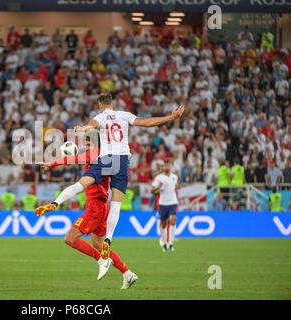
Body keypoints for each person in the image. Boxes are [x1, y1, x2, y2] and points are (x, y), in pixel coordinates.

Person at [35, 93, 185, 260]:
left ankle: (55, 203)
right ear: (112, 104)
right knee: (116, 205)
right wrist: (171, 117)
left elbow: (92, 125)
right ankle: (108, 239)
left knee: (81, 184)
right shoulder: (124, 115)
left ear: (100, 105)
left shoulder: (101, 116)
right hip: (122, 161)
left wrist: (83, 128)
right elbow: (148, 122)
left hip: (107, 159)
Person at [38, 137, 138, 289]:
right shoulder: (103, 158)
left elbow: (74, 158)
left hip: (95, 208)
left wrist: (51, 163)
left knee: (70, 238)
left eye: (89, 143)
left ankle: (101, 260)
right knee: (99, 244)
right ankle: (127, 274)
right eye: (86, 143)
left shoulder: (98, 154)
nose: (86, 146)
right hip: (102, 207)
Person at [151, 162, 180, 252]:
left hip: (173, 202)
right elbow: (152, 191)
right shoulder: (159, 178)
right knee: (163, 224)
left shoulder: (175, 177)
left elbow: (175, 187)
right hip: (163, 203)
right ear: (162, 168)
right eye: (165, 166)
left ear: (169, 167)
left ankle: (170, 244)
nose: (166, 167)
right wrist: (158, 187)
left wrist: (177, 187)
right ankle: (164, 243)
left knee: (172, 221)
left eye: (168, 165)